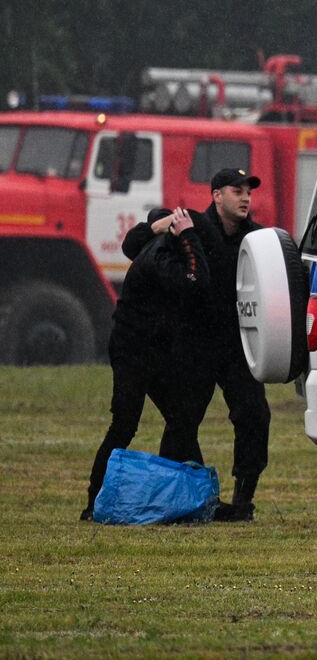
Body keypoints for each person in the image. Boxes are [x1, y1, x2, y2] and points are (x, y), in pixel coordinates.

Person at [160, 167, 271, 522]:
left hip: (239, 343)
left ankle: (243, 500)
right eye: (236, 191)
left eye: (248, 192)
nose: (245, 198)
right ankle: (178, 497)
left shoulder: (258, 240)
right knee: (182, 419)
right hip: (196, 341)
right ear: (216, 195)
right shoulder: (192, 231)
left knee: (254, 415)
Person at [84, 207, 208, 520]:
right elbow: (195, 281)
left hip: (154, 349)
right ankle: (94, 500)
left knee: (181, 419)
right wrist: (188, 235)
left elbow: (131, 242)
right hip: (134, 351)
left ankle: (190, 493)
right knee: (125, 424)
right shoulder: (158, 255)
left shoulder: (150, 246)